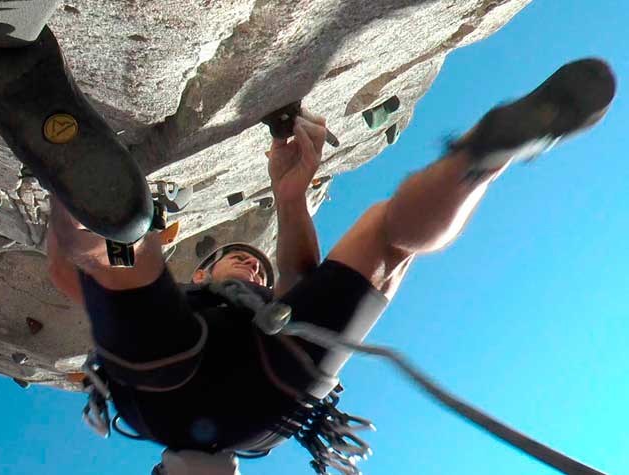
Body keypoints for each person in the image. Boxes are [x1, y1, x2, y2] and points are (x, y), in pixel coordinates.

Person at [45, 58, 616, 474]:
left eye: (250, 262)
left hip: (165, 396)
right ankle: (478, 160)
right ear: (203, 276)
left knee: (117, 258)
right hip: (264, 401)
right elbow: (303, 286)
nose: (251, 266)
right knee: (386, 243)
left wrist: (291, 199)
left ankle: (75, 177)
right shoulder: (230, 308)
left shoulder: (243, 306)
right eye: (244, 263)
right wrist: (289, 202)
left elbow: (298, 289)